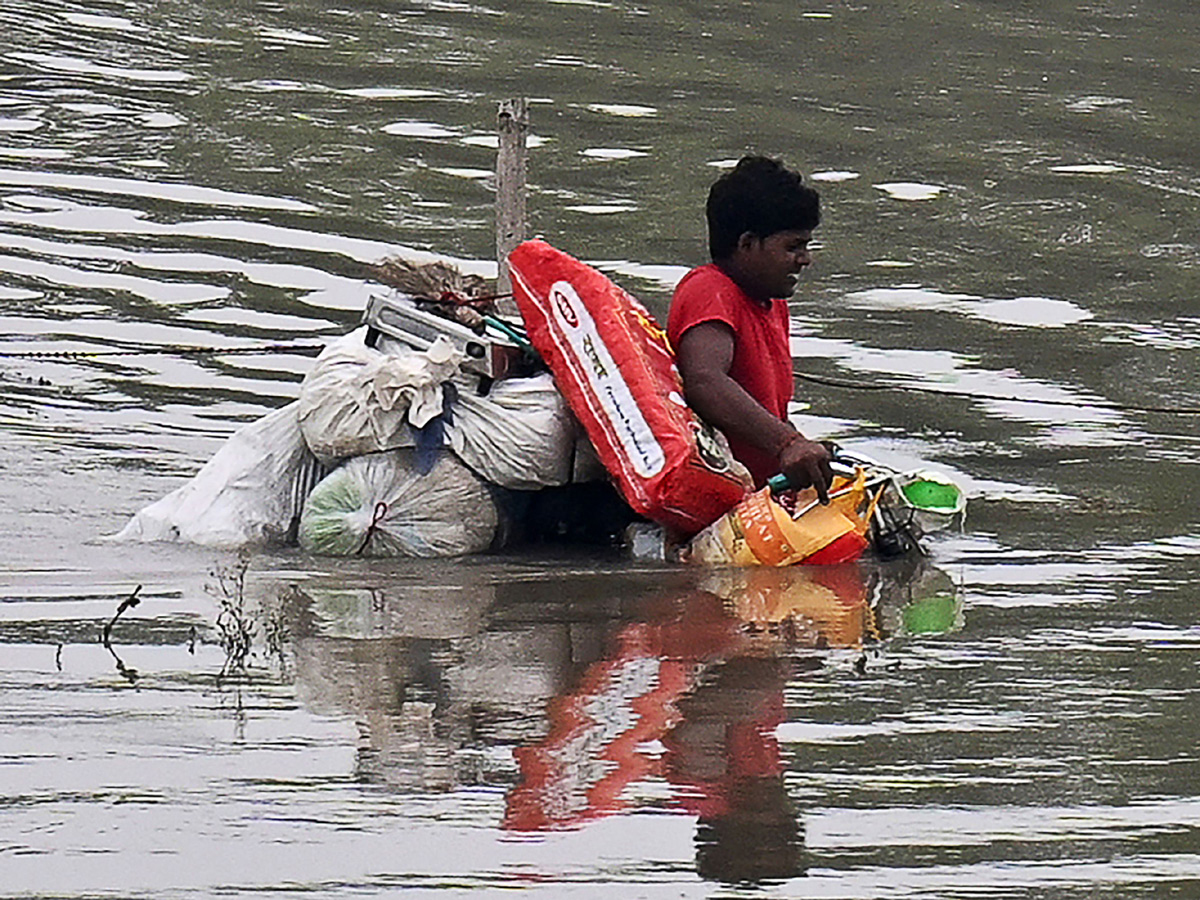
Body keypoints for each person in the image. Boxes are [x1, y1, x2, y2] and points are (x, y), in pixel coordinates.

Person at [667, 155, 833, 501]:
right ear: (746, 244)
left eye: (806, 246)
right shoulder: (709, 291)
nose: (805, 259)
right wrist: (787, 443)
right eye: (793, 247)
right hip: (722, 499)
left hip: (764, 493)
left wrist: (801, 443)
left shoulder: (772, 302)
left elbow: (764, 406)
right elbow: (704, 380)